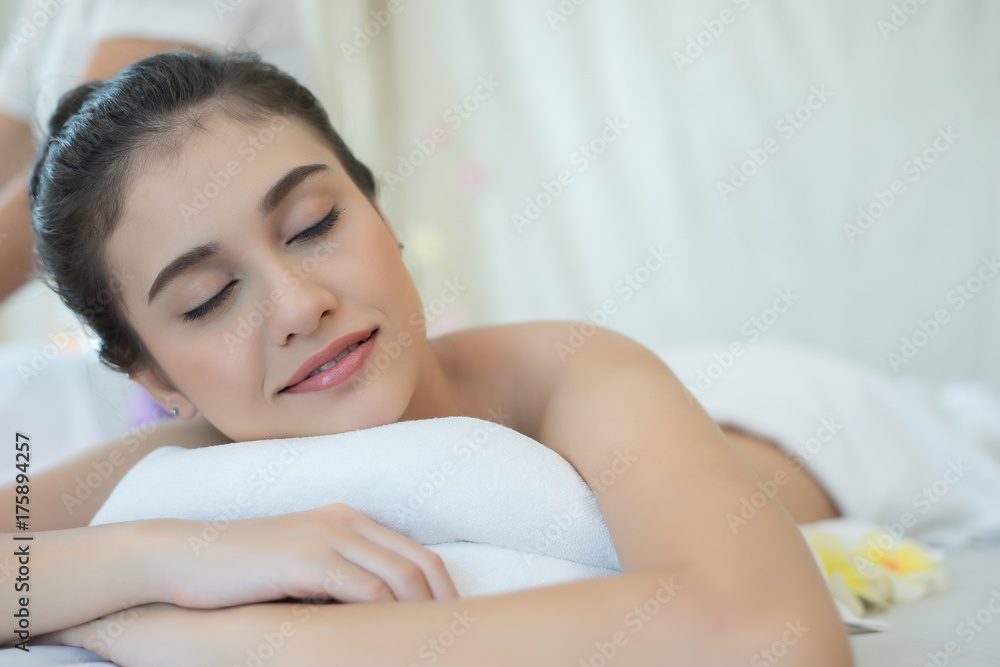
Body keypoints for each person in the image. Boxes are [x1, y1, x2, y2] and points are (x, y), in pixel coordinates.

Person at [4, 50, 852, 665]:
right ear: (157, 378)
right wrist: (169, 557)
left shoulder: (568, 370)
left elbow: (772, 635)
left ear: (380, 213)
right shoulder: (189, 464)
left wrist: (226, 639)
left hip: (791, 407)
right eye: (208, 298)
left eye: (314, 225)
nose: (299, 305)